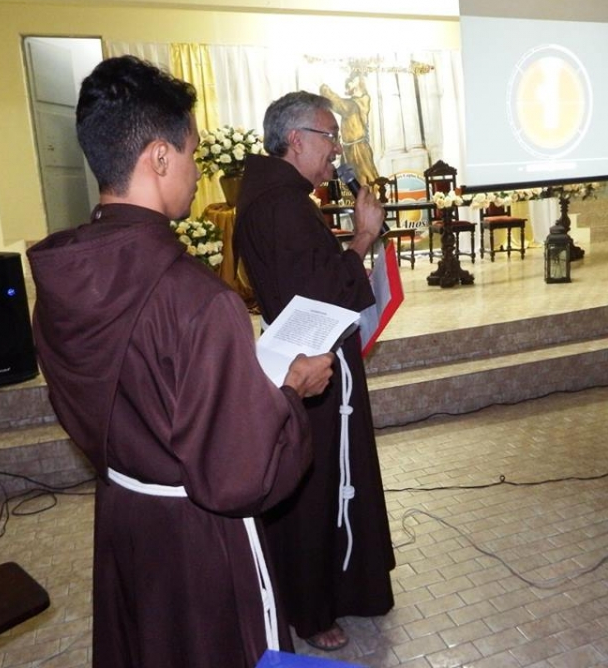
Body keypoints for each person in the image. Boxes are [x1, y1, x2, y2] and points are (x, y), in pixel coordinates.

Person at [27, 56, 334, 668]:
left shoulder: (63, 278)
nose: (199, 172)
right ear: (160, 157)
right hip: (200, 536)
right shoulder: (200, 300)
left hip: (125, 511)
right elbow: (240, 477)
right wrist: (290, 393)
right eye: (192, 153)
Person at [233, 91, 395, 651]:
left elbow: (311, 275)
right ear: (296, 139)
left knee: (326, 481)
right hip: (309, 365)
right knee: (315, 487)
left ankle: (338, 589)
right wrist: (363, 237)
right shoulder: (281, 204)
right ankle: (311, 607)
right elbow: (323, 293)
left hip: (311, 355)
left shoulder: (278, 195)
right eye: (331, 138)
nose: (338, 151)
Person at [320, 73, 380, 186]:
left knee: (365, 179)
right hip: (350, 147)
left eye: (351, 81)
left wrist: (324, 89)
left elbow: (339, 104)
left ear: (358, 82)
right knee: (352, 181)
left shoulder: (354, 105)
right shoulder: (357, 102)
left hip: (358, 149)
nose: (348, 83)